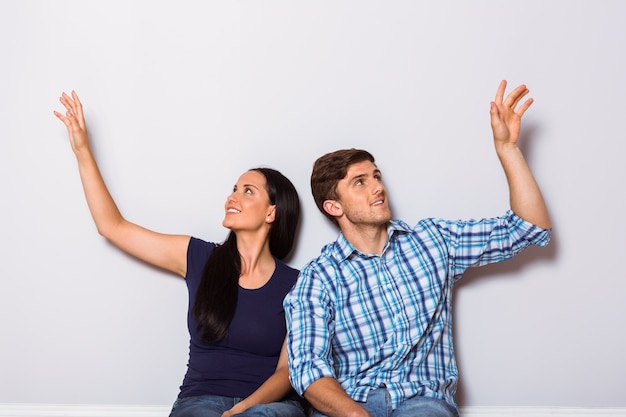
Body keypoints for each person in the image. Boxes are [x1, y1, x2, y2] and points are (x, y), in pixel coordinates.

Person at [283, 80, 552, 417]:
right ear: (334, 207)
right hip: (350, 404)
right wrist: (355, 414)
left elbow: (529, 228)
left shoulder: (432, 241)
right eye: (360, 182)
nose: (378, 187)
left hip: (421, 402)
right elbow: (308, 368)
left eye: (376, 176)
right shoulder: (319, 277)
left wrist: (508, 149)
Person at [54, 91, 306, 417]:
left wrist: (241, 411)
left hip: (269, 408)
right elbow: (112, 226)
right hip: (200, 403)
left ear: (272, 212)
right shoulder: (197, 256)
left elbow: (286, 372)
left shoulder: (298, 283)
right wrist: (82, 150)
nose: (233, 197)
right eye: (233, 188)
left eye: (247, 191)